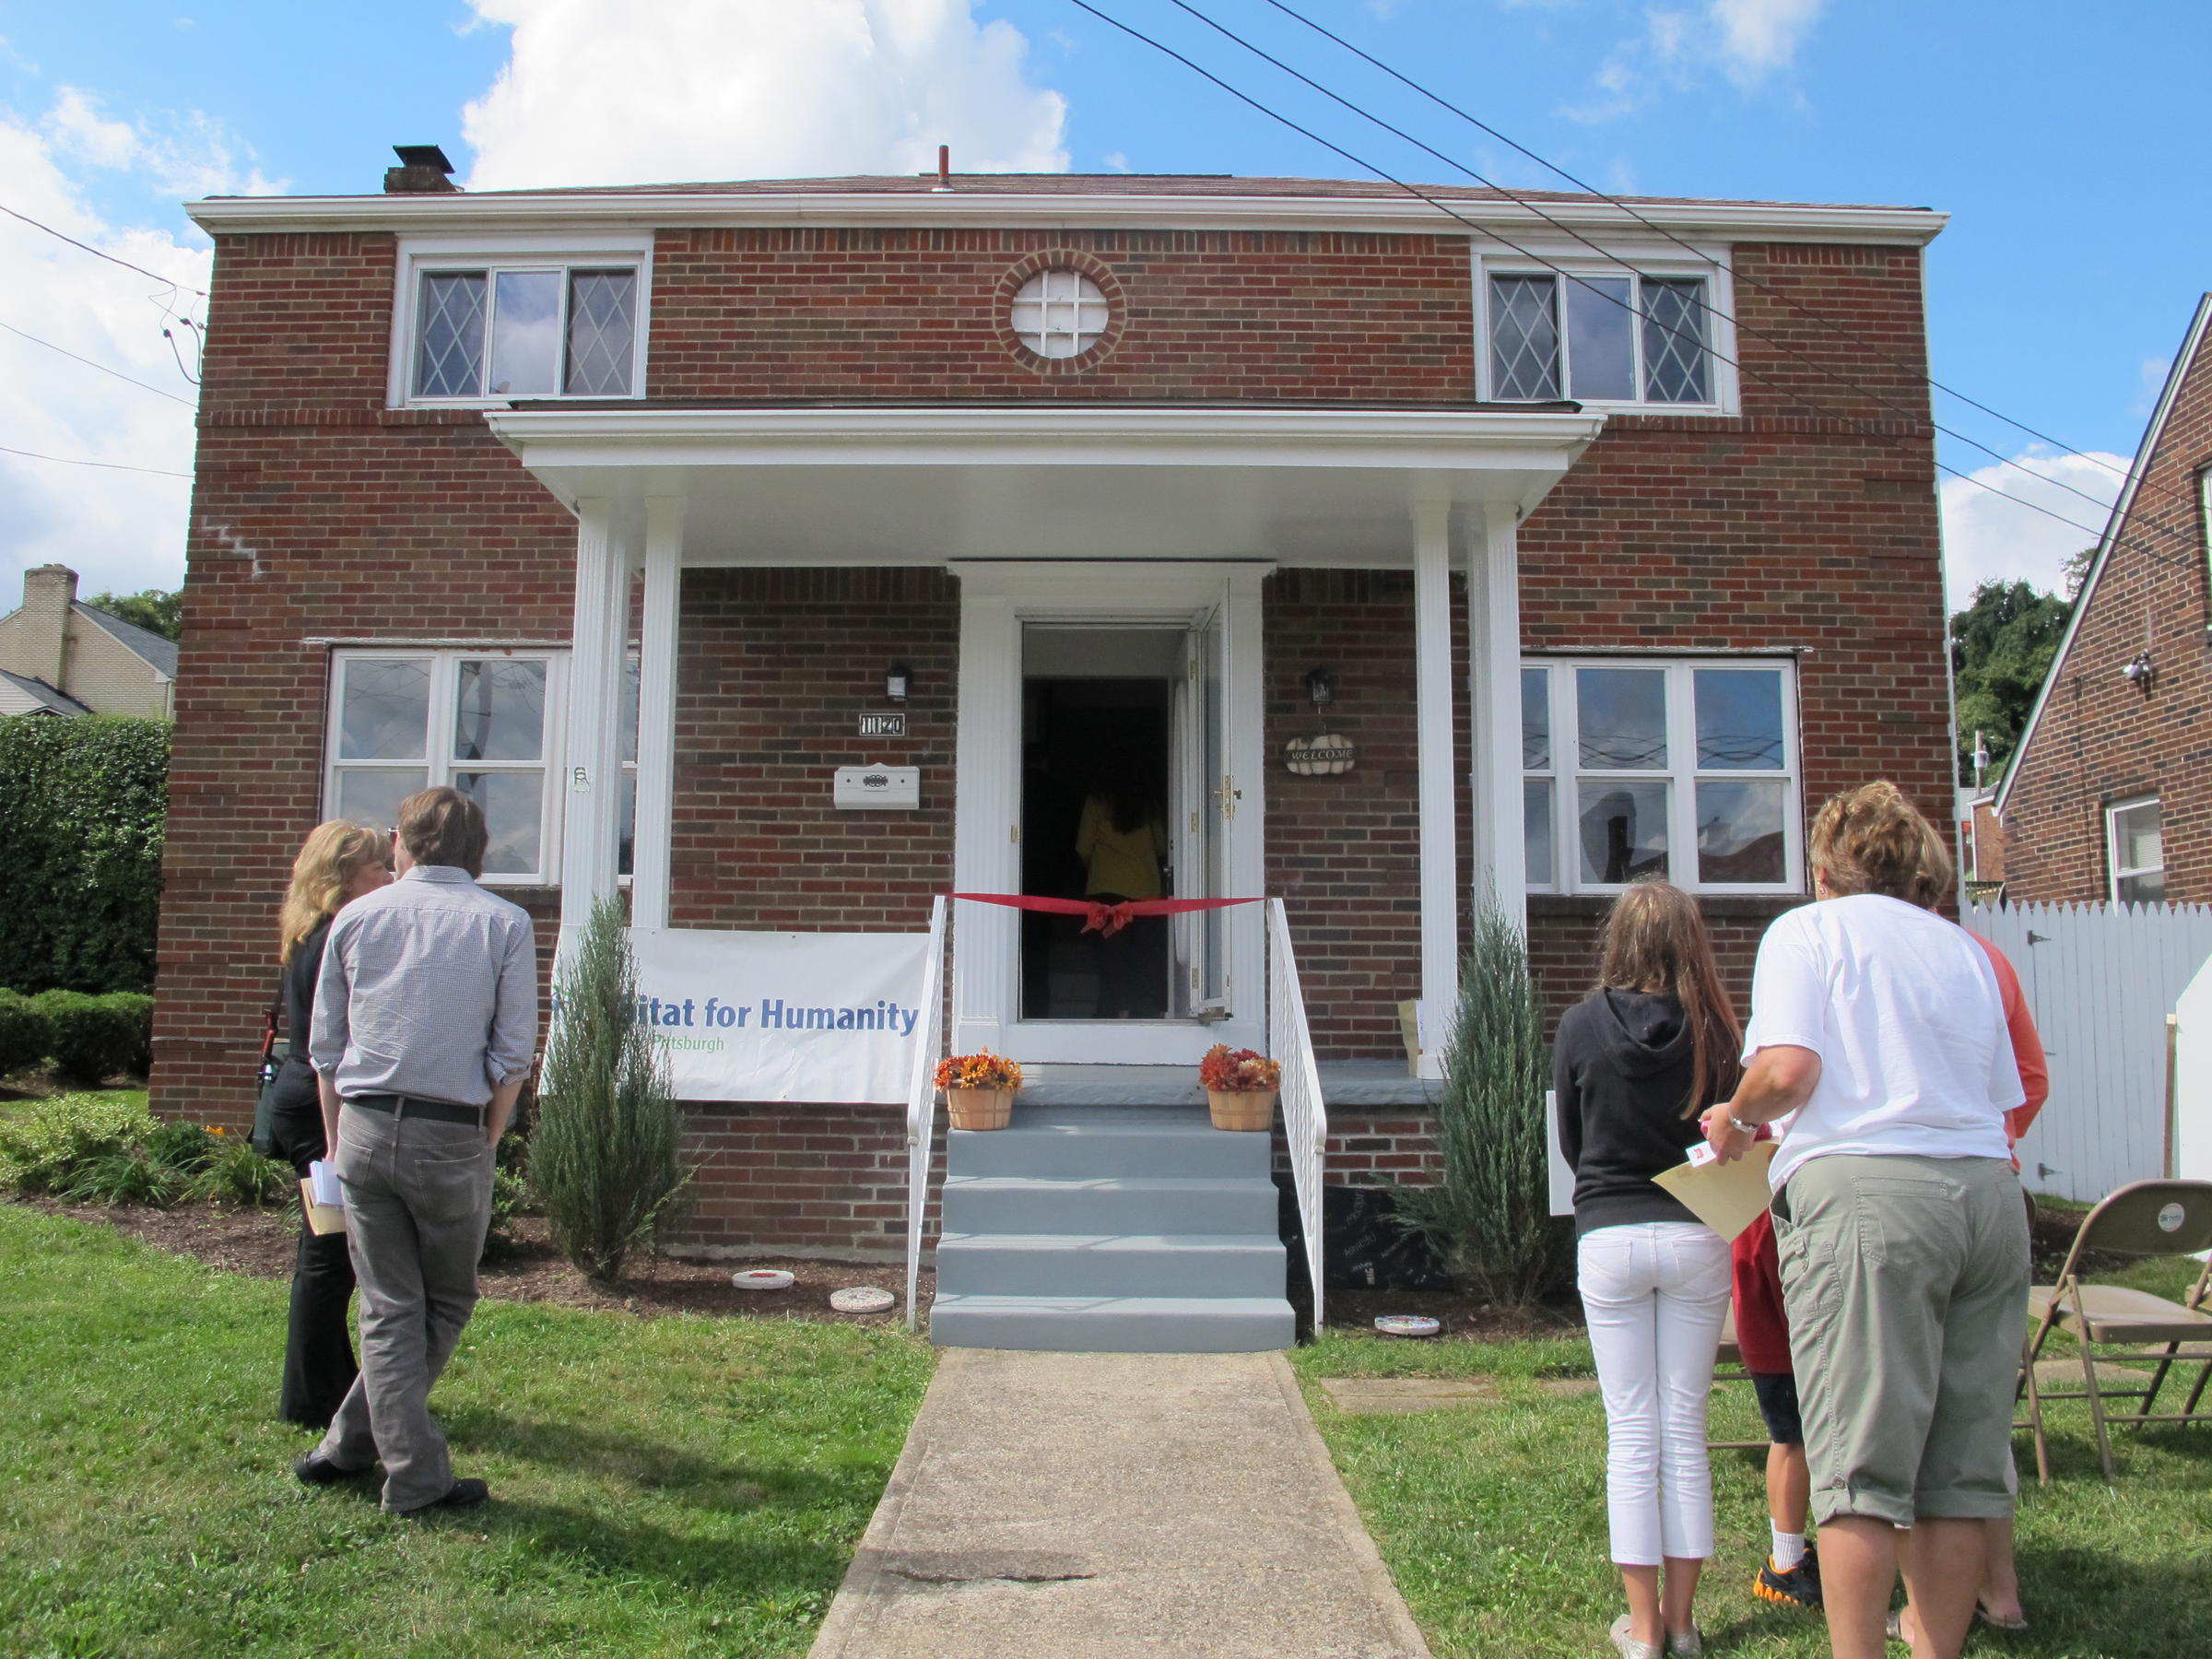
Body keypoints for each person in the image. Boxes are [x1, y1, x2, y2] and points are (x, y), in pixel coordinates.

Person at [1702, 782, 2028, 1659]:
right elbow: (2002, 1096)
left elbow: (1790, 1071)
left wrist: (1733, 1116)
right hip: (1987, 1198)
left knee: (1857, 1469)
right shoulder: (1963, 950)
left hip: (1868, 1200)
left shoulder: (1806, 932)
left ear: (1821, 870)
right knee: (1958, 1476)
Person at [294, 786, 537, 1515]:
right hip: (452, 1133)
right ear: (478, 851)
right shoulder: (506, 923)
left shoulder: (354, 918)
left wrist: (340, 1142)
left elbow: (325, 1051)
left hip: (365, 1128)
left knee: (390, 1306)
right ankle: (416, 1477)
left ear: (403, 843)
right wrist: (488, 1139)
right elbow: (513, 1054)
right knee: (441, 1300)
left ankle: (347, 1446)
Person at [1555, 879, 1744, 1659]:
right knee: (1684, 1430)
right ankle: (1683, 1622)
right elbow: (1735, 1135)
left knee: (1630, 1432)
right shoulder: (1718, 1032)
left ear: (1618, 941)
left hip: (1610, 1232)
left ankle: (1639, 1630)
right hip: (1697, 1230)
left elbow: (1571, 1137)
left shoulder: (1578, 1025)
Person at [268, 821, 393, 1428]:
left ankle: (328, 1385)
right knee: (327, 1256)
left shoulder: (314, 930)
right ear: (344, 877)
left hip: (307, 1098)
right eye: (378, 869)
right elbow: (333, 1044)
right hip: (322, 1106)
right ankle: (312, 1399)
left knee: (329, 1253)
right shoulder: (337, 936)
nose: (389, 878)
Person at [1074, 750, 1169, 1018]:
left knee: (1111, 957)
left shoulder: (1096, 802)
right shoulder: (1149, 805)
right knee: (1145, 956)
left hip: (1107, 892)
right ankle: (1146, 1011)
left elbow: (1083, 847)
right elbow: (1162, 845)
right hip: (1146, 894)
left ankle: (1117, 1010)